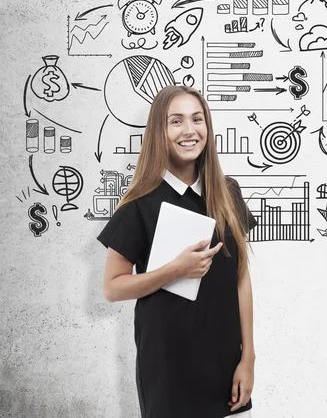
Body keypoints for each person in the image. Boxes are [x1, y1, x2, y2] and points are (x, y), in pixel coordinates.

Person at [97, 85, 257, 418]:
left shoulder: (228, 193)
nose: (189, 130)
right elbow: (113, 288)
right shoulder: (140, 204)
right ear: (160, 131)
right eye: (176, 121)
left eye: (197, 119)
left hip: (225, 365)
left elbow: (240, 279)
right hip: (168, 368)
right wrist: (175, 269)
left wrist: (248, 357)